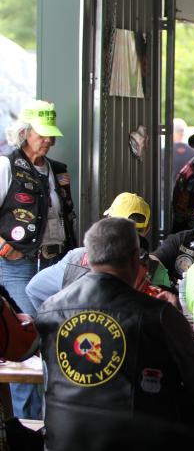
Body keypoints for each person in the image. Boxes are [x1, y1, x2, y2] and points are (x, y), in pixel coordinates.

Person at [36, 218, 194, 450]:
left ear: (89, 257)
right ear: (135, 258)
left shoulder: (50, 308)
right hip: (137, 442)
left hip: (61, 441)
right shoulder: (158, 313)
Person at [0, 100, 77, 419]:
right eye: (41, 134)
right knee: (28, 340)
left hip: (54, 262)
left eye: (50, 135)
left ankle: (52, 420)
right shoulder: (6, 165)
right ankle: (26, 423)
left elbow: (67, 216)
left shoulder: (58, 170)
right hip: (16, 266)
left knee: (58, 337)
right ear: (25, 132)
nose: (47, 140)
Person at [26, 192, 172, 311]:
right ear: (146, 230)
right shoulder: (155, 269)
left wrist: (55, 324)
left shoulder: (77, 258)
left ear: (107, 220)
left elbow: (34, 289)